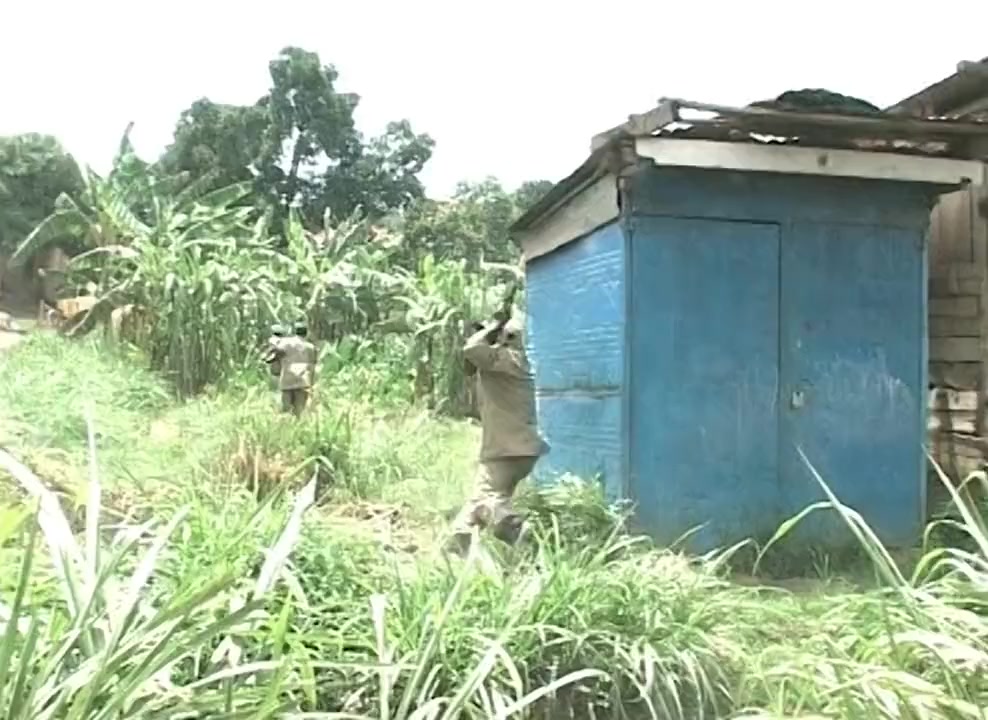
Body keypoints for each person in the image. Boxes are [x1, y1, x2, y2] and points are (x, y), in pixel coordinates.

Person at [448, 309, 548, 555]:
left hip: (506, 451)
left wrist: (492, 326)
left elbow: (472, 350)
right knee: (477, 503)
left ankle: (515, 527)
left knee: (487, 501)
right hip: (517, 450)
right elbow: (470, 363)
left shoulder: (506, 361)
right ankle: (455, 547)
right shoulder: (513, 364)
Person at [268, 321, 318, 416]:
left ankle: (286, 423)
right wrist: (311, 384)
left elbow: (274, 353)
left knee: (286, 409)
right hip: (302, 381)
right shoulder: (310, 347)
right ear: (306, 333)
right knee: (299, 410)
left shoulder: (285, 343)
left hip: (287, 379)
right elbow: (312, 366)